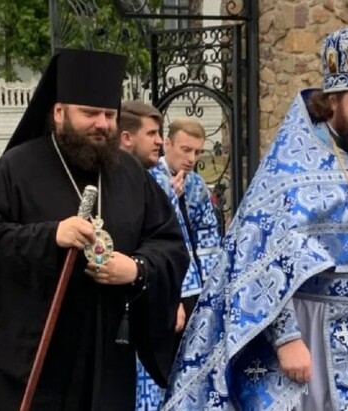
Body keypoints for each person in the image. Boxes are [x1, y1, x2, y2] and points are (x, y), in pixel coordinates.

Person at [162, 28, 348, 411]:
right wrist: (286, 339)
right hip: (311, 328)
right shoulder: (292, 163)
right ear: (333, 100)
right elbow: (261, 258)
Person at [0, 49, 190, 411]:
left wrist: (137, 269)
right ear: (59, 113)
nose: (102, 124)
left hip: (108, 360)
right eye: (89, 113)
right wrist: (49, 237)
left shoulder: (129, 174)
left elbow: (168, 243)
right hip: (30, 363)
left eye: (109, 115)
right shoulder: (16, 168)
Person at [119, 107, 222, 410]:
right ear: (169, 144)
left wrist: (210, 285)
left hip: (192, 286)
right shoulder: (151, 178)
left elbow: (207, 238)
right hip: (161, 284)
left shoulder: (196, 185)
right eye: (185, 149)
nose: (191, 158)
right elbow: (163, 244)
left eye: (197, 152)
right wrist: (173, 294)